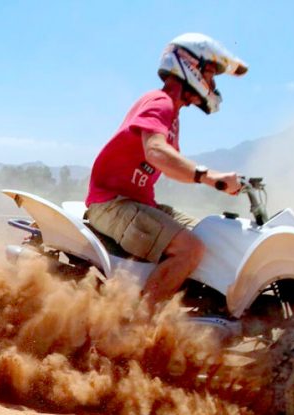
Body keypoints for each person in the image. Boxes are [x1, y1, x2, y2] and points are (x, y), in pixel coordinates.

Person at [85, 33, 248, 306]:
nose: (213, 83)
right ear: (190, 66)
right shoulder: (159, 102)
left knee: (210, 235)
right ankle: (137, 326)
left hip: (138, 203)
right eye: (210, 73)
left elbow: (173, 165)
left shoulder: (173, 115)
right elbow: (157, 152)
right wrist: (210, 177)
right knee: (190, 248)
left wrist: (220, 181)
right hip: (113, 204)